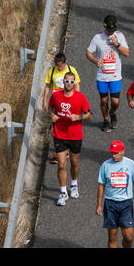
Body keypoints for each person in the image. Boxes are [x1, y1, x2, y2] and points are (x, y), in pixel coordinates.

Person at [49, 72, 92, 205]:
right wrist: (52, 115)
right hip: (59, 134)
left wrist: (78, 117)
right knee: (61, 164)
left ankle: (74, 184)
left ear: (74, 83)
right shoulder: (56, 95)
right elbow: (50, 107)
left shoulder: (80, 97)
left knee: (74, 163)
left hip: (75, 135)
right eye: (66, 81)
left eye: (71, 82)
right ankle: (63, 192)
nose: (69, 84)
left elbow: (89, 114)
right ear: (63, 82)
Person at [86, 14, 129, 133]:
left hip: (115, 75)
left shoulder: (119, 36)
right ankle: (105, 120)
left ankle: (112, 113)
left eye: (112, 30)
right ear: (104, 27)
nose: (111, 33)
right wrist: (95, 60)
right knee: (104, 100)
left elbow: (126, 53)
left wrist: (117, 44)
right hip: (102, 75)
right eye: (109, 30)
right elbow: (88, 53)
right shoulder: (97, 38)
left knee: (115, 101)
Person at [96, 140, 134, 248]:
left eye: (116, 153)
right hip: (110, 204)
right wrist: (99, 204)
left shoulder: (130, 164)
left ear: (122, 152)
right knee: (112, 236)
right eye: (112, 153)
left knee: (128, 237)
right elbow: (101, 185)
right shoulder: (105, 165)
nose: (114, 155)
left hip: (126, 204)